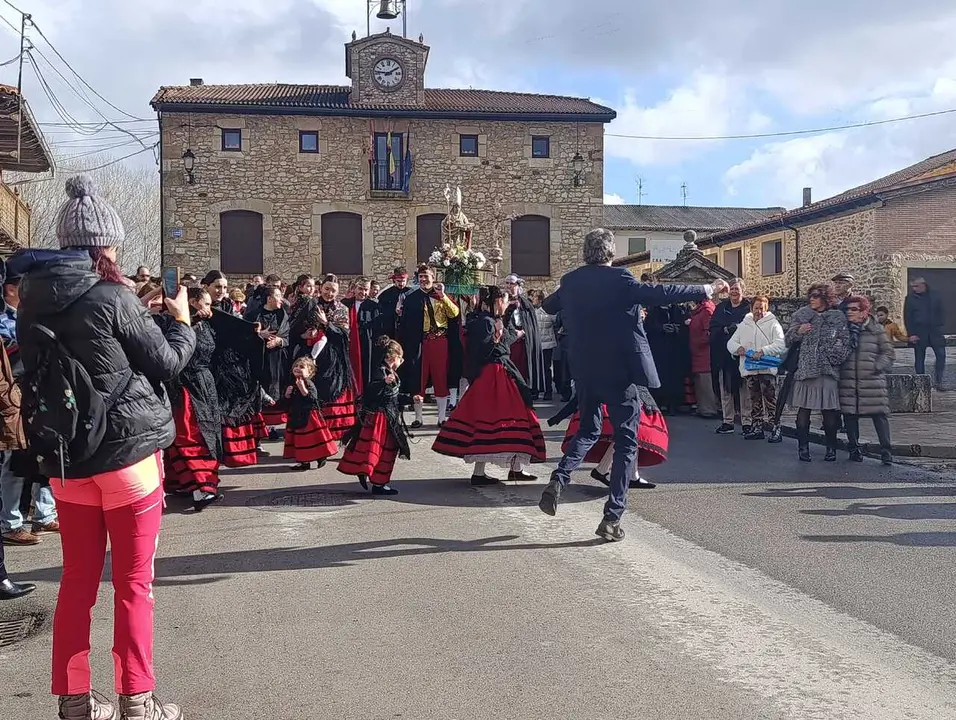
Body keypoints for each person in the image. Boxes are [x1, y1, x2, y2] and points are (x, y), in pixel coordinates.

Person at [16, 174, 195, 720]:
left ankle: (74, 701)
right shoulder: (113, 296)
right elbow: (166, 364)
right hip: (127, 457)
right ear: (104, 246)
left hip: (68, 460)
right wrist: (183, 324)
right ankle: (136, 700)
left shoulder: (31, 302)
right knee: (133, 584)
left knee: (76, 582)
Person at [538, 228, 725, 542]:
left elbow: (547, 306)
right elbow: (661, 294)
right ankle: (612, 517)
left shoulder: (571, 281)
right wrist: (706, 288)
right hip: (620, 372)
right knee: (626, 441)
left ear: (586, 252)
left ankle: (560, 477)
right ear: (611, 253)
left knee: (588, 430)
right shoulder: (621, 280)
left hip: (584, 369)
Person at [433, 285, 546, 484]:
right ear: (494, 302)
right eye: (502, 301)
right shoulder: (483, 322)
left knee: (512, 419)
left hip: (499, 372)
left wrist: (506, 329)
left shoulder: (490, 321)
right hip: (493, 375)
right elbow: (487, 351)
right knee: (494, 420)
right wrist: (508, 336)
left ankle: (514, 467)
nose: (505, 304)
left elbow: (498, 345)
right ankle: (481, 473)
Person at [161, 287, 225, 512]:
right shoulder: (175, 323)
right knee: (193, 434)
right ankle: (200, 489)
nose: (209, 308)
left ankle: (185, 484)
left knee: (206, 431)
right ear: (194, 302)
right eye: (205, 304)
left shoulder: (205, 323)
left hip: (204, 382)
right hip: (187, 385)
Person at [784, 282, 851, 462]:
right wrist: (799, 330)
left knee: (829, 412)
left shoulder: (837, 317)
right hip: (805, 369)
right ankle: (803, 449)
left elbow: (845, 342)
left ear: (825, 298)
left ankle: (831, 448)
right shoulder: (801, 315)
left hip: (827, 370)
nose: (812, 299)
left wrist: (832, 356)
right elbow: (788, 338)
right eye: (810, 296)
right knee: (803, 411)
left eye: (816, 296)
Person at [338, 336, 411, 495]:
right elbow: (371, 390)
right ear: (393, 357)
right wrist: (383, 382)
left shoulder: (391, 372)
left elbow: (394, 396)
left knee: (384, 449)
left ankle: (378, 481)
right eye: (400, 357)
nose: (402, 360)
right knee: (380, 449)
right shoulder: (381, 371)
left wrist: (411, 398)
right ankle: (374, 480)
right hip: (380, 418)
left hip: (389, 416)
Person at [396, 264, 460, 428]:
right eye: (421, 277)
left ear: (433, 277)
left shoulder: (441, 295)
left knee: (440, 378)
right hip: (420, 343)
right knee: (419, 378)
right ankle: (418, 417)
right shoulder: (411, 298)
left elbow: (454, 313)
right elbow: (405, 324)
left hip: (440, 342)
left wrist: (443, 296)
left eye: (426, 276)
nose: (423, 280)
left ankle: (441, 418)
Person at [841, 296, 895, 465]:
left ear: (864, 312)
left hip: (872, 382)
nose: (850, 312)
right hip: (849, 381)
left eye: (854, 309)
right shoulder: (842, 331)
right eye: (848, 309)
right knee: (850, 416)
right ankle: (854, 449)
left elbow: (888, 353)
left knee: (879, 417)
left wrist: (877, 366)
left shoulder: (876, 330)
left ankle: (886, 451)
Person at [726, 295, 786, 441]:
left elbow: (780, 344)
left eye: (762, 308)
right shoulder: (744, 324)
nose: (759, 311)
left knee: (771, 400)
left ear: (767, 309)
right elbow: (731, 343)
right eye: (757, 308)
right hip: (751, 369)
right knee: (755, 400)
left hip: (766, 369)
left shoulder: (773, 324)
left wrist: (763, 351)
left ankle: (775, 428)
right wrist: (737, 348)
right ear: (751, 308)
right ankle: (757, 427)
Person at [710, 278, 751, 435]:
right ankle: (728, 421)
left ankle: (747, 421)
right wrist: (724, 330)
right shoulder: (721, 308)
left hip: (743, 354)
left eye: (737, 289)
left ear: (742, 290)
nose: (734, 291)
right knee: (725, 389)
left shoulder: (748, 308)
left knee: (744, 390)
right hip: (724, 354)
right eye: (732, 289)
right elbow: (713, 327)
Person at [283, 356, 337, 471]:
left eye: (301, 367)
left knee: (311, 438)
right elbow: (290, 401)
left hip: (309, 416)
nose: (297, 368)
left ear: (309, 372)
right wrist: (287, 395)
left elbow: (313, 398)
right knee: (300, 439)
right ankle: (304, 462)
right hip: (297, 414)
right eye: (296, 366)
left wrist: (303, 389)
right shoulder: (293, 383)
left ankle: (321, 456)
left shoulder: (308, 383)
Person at [503, 274, 546, 395]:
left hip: (523, 342)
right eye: (507, 283)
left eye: (512, 283)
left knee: (522, 370)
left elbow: (530, 325)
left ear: (518, 286)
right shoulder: (501, 301)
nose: (508, 286)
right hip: (508, 342)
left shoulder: (526, 304)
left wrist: (523, 331)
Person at [904, 276, 946, 390]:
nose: (914, 289)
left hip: (935, 331)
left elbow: (941, 311)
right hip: (919, 332)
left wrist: (940, 326)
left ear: (923, 285)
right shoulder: (910, 298)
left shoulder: (935, 295)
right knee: (919, 358)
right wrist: (911, 334)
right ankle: (921, 383)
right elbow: (907, 317)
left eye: (916, 286)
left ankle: (938, 381)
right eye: (912, 287)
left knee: (941, 355)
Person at [343, 276, 382, 394]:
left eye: (366, 289)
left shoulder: (374, 306)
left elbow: (377, 328)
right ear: (354, 288)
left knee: (365, 372)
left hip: (366, 345)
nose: (363, 292)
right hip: (348, 344)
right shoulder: (345, 304)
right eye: (360, 289)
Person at [687, 297, 719, 418]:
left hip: (704, 352)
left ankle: (709, 409)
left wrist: (699, 343)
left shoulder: (707, 310)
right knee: (699, 380)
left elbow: (708, 332)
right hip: (697, 351)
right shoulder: (700, 310)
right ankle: (702, 407)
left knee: (705, 381)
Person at [531, 289, 557, 400]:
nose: (533, 300)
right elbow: (557, 322)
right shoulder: (550, 312)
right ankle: (548, 391)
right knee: (546, 369)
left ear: (539, 299)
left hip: (538, 344)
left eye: (534, 298)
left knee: (538, 369)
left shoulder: (534, 313)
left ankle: (537, 391)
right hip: (548, 344)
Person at [377, 267, 411, 339]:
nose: (401, 284)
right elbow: (381, 311)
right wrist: (393, 310)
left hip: (407, 329)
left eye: (403, 281)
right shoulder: (385, 295)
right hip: (390, 329)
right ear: (394, 280)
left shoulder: (411, 293)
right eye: (398, 281)